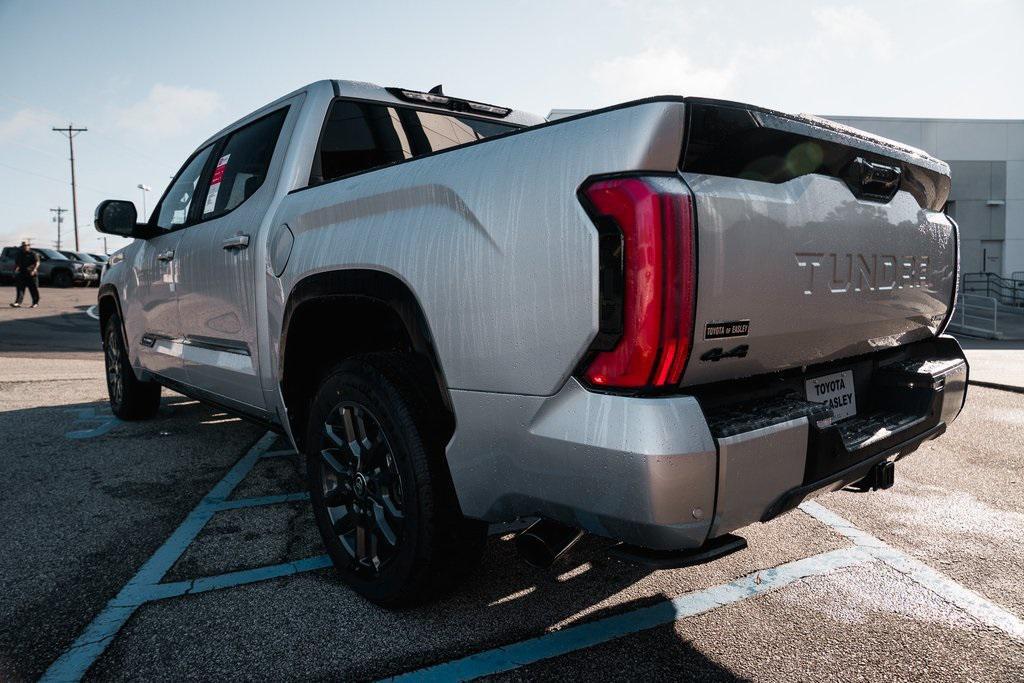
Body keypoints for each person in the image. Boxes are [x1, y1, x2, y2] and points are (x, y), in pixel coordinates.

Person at [10, 242, 40, 308]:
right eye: (23, 246)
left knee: (33, 289)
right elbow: (17, 264)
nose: (24, 247)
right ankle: (18, 303)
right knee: (20, 288)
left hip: (31, 273)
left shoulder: (33, 254)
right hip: (22, 273)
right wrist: (14, 271)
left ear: (29, 246)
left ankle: (35, 303)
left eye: (26, 245)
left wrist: (34, 270)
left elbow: (37, 262)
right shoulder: (19, 254)